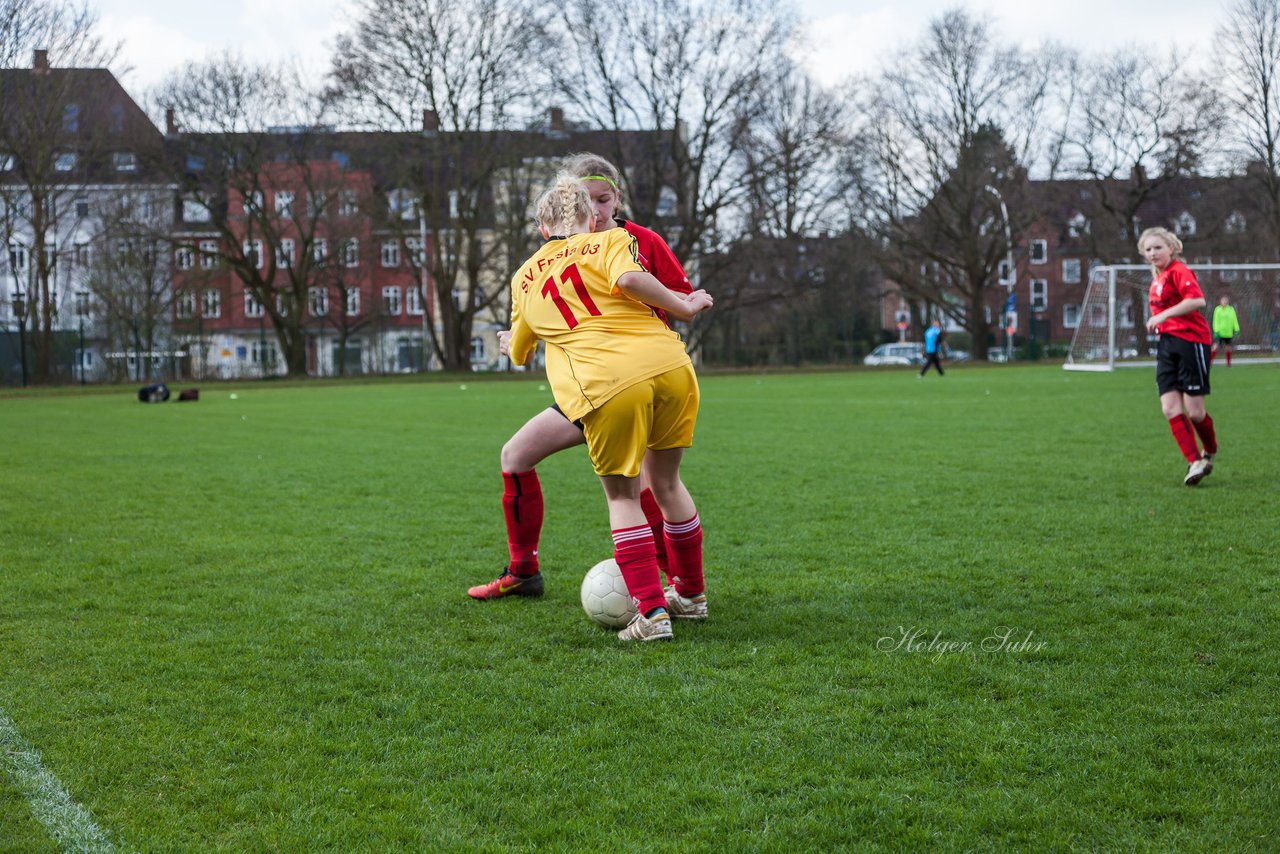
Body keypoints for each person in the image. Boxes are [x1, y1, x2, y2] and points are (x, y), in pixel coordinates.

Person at [468, 154, 695, 601]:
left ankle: (670, 584)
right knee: (515, 454)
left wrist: (668, 308)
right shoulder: (552, 259)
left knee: (645, 485)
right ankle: (523, 571)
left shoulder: (634, 241)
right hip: (586, 383)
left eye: (602, 200)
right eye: (585, 202)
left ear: (615, 200)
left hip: (638, 375)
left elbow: (677, 295)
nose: (594, 210)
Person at [505, 175, 713, 641]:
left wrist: (509, 341)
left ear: (543, 229)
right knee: (667, 481)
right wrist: (682, 305)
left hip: (608, 385)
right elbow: (630, 280)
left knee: (622, 496)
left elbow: (519, 353)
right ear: (587, 217)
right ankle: (692, 597)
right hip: (672, 367)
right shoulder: (614, 239)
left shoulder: (524, 277)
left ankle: (653, 615)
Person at [1140, 227, 1218, 486]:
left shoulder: (1179, 271)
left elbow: (1197, 301)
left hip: (1191, 342)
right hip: (1167, 345)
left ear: (1171, 248)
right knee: (1169, 408)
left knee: (1195, 413)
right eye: (1148, 249)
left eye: (1157, 248)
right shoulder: (1157, 278)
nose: (1153, 253)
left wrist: (1163, 315)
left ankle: (1210, 450)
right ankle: (1195, 461)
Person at [1211, 294, 1240, 366]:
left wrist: (1237, 329)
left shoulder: (1231, 309)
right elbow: (1215, 320)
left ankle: (1228, 363)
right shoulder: (1218, 309)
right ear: (1220, 301)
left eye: (1226, 301)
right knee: (1215, 346)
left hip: (1228, 333)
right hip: (1220, 332)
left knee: (1228, 348)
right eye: (1223, 300)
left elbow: (1234, 320)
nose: (1224, 302)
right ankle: (1209, 361)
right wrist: (1216, 331)